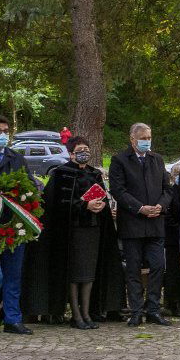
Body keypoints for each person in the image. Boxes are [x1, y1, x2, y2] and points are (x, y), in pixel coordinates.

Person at [39, 136, 125, 329]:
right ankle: (76, 315)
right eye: (80, 149)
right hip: (72, 231)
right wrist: (85, 205)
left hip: (93, 229)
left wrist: (100, 205)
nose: (84, 152)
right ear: (71, 153)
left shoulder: (94, 174)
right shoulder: (61, 173)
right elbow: (57, 204)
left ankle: (86, 313)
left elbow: (102, 194)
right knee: (75, 273)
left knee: (89, 273)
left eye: (86, 148)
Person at [109, 123, 173, 327]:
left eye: (149, 137)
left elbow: (167, 189)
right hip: (133, 224)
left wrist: (160, 206)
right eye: (143, 138)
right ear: (132, 139)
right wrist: (140, 208)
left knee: (158, 266)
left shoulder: (157, 159)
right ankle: (136, 310)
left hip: (155, 223)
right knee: (133, 268)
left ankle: (153, 308)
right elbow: (118, 190)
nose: (147, 141)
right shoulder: (119, 160)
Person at [0, 115, 38, 336]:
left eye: (5, 131)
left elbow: (30, 186)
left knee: (13, 274)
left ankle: (12, 319)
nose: (2, 135)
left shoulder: (16, 158)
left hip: (13, 225)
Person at [162, 160, 180, 318]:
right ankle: (172, 303)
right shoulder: (172, 193)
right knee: (174, 271)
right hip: (174, 238)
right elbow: (168, 215)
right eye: (177, 174)